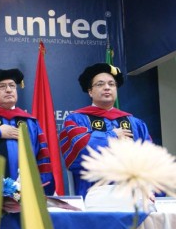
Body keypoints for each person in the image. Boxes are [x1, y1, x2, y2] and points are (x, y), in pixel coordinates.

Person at [60, 63, 152, 197]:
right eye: (100, 84)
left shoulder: (135, 123)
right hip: (93, 191)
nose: (107, 87)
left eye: (111, 84)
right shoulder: (76, 119)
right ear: (90, 91)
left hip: (132, 192)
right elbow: (80, 150)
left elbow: (149, 159)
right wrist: (111, 136)